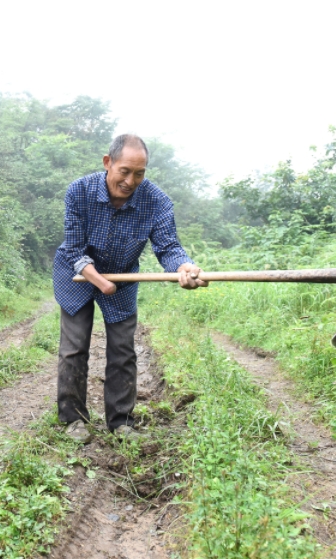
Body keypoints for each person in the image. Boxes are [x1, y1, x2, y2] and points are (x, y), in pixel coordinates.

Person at [52, 134, 208, 443]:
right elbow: (73, 248)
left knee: (123, 350)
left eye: (139, 173)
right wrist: (98, 280)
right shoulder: (79, 192)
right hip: (78, 274)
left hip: (123, 277)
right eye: (124, 171)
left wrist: (184, 267)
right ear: (107, 163)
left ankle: (121, 422)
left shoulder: (157, 201)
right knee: (74, 347)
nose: (130, 181)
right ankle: (73, 419)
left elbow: (169, 247)